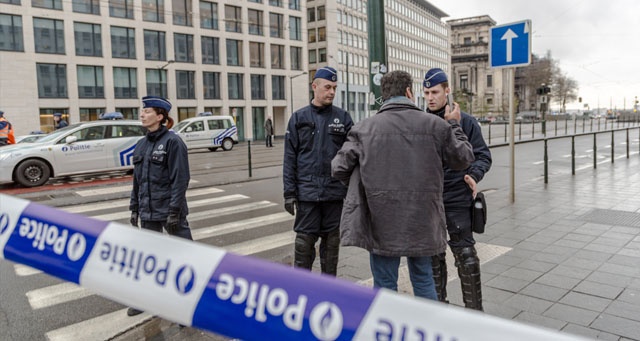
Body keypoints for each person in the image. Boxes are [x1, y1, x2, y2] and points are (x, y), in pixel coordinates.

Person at [331, 70, 474, 300]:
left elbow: (338, 168)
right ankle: (426, 331)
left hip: (381, 221)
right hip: (422, 220)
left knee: (385, 284)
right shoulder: (435, 125)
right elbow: (464, 158)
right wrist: (455, 124)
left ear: (384, 95)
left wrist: (365, 183)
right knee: (423, 279)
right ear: (409, 92)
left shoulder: (363, 128)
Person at [423, 68, 492, 310]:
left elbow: (483, 156)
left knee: (466, 257)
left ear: (447, 91)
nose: (430, 98)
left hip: (457, 199)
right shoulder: (422, 122)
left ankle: (474, 313)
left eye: (435, 92)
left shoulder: (467, 122)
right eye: (426, 93)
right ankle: (439, 309)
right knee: (433, 258)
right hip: (429, 201)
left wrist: (474, 175)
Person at [283, 66, 354, 276]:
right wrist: (289, 193)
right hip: (307, 195)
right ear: (315, 87)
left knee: (331, 248)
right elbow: (289, 158)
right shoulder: (298, 118)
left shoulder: (343, 118)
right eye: (327, 87)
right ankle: (302, 287)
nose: (331, 92)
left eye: (334, 88)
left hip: (334, 195)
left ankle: (328, 288)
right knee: (304, 246)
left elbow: (354, 155)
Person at [127, 96, 192, 317]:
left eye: (147, 111)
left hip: (170, 210)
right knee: (149, 258)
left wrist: (174, 210)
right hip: (148, 210)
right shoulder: (141, 144)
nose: (142, 114)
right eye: (142, 110)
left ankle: (187, 304)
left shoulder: (173, 142)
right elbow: (138, 180)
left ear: (161, 116)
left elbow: (180, 178)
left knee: (184, 257)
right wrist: (134, 208)